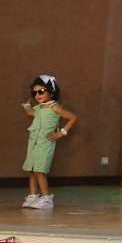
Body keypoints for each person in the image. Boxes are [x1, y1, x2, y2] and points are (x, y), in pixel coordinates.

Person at [20, 74, 77, 209]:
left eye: (41, 91)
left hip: (45, 143)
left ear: (52, 91)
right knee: (32, 170)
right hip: (33, 143)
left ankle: (46, 198)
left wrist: (61, 133)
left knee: (39, 171)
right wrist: (27, 105)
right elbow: (30, 112)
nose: (37, 95)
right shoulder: (39, 108)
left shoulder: (54, 108)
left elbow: (72, 117)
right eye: (34, 93)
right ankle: (33, 196)